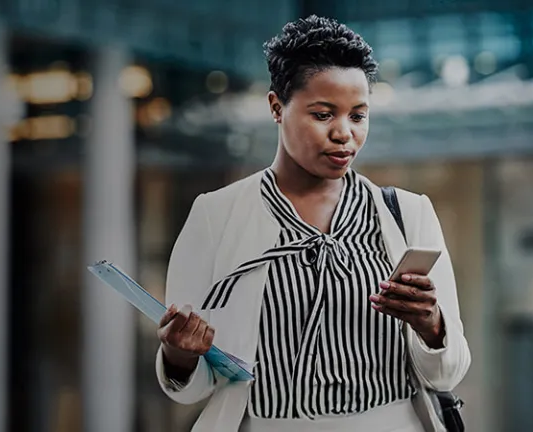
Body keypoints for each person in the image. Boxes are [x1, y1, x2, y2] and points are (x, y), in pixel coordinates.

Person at [155, 15, 471, 432]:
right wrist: (180, 355)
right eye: (323, 115)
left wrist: (432, 327)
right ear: (275, 107)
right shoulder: (216, 217)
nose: (344, 134)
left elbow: (448, 373)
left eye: (358, 116)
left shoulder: (409, 215)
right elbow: (189, 387)